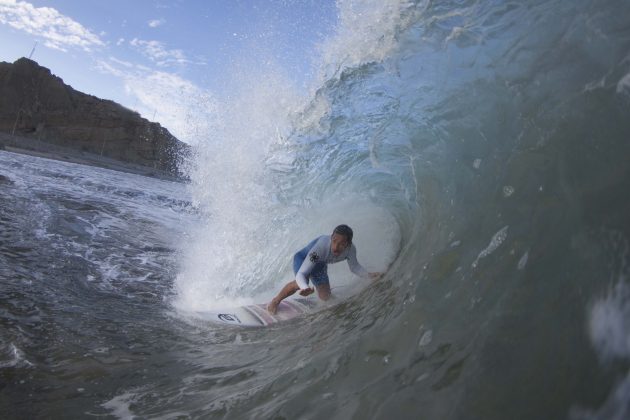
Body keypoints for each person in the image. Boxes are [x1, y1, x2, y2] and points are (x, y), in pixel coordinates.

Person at [267, 224, 382, 314]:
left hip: (320, 265)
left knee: (325, 297)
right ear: (331, 237)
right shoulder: (320, 248)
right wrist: (305, 287)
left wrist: (368, 275)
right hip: (303, 259)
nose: (336, 247)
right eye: (334, 241)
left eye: (341, 244)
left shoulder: (350, 250)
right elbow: (302, 272)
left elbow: (355, 267)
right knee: (301, 282)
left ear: (348, 244)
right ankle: (275, 301)